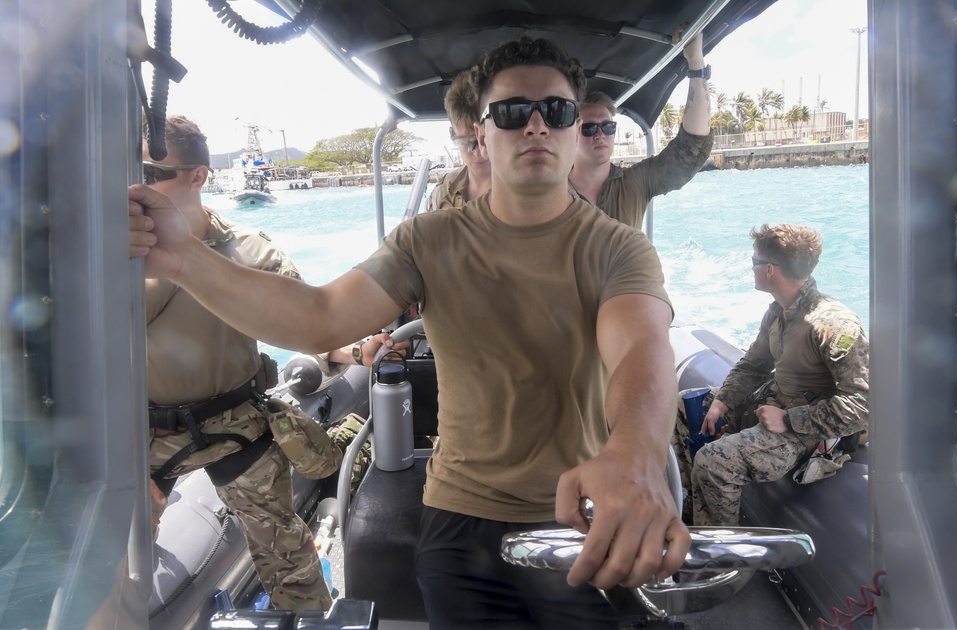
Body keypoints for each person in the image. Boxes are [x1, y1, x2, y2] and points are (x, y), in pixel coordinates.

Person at [130, 36, 689, 629]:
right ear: (481, 134)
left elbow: (641, 350)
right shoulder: (427, 240)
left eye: (555, 110)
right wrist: (181, 257)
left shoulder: (619, 249)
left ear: (576, 128)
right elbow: (318, 316)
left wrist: (634, 456)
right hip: (459, 520)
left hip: (578, 516)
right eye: (510, 112)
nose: (535, 126)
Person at [142, 115, 401, 612]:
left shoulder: (249, 252)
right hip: (144, 437)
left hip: (236, 428)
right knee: (109, 564)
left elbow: (306, 323)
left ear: (198, 176)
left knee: (289, 558)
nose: (137, 184)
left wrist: (356, 351)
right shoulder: (110, 258)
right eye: (130, 171)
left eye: (153, 173)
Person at [688, 224, 869, 527]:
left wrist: (788, 420)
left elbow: (861, 406)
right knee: (682, 410)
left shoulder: (834, 325)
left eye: (754, 262)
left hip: (808, 433)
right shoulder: (777, 313)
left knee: (714, 462)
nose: (752, 268)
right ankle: (687, 513)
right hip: (775, 406)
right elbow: (754, 365)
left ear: (770, 270)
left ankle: (723, 551)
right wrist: (723, 401)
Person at [568, 30, 714, 229]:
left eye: (608, 127)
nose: (600, 134)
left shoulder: (636, 182)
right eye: (590, 128)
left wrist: (696, 61)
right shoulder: (553, 190)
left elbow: (691, 149)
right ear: (573, 132)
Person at [425, 68, 492, 212]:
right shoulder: (442, 193)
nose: (479, 152)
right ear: (452, 134)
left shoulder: (526, 190)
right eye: (466, 142)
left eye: (486, 139)